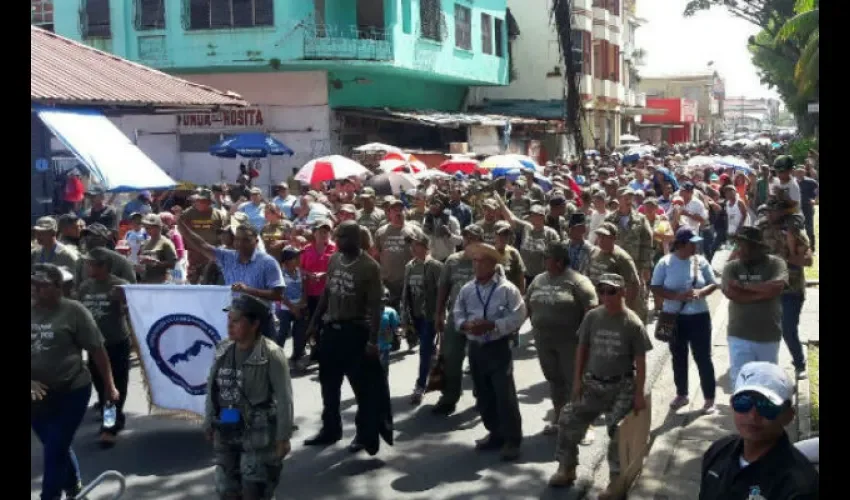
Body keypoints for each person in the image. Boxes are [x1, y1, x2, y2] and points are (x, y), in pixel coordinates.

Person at [549, 274, 652, 494]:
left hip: (621, 386)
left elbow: (641, 362)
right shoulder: (592, 317)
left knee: (617, 432)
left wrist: (639, 394)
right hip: (593, 384)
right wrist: (577, 381)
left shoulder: (632, 323)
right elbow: (582, 349)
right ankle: (566, 468)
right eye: (602, 291)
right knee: (567, 419)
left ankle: (616, 480)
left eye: (611, 291)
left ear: (623, 292)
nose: (606, 296)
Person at [32, 263, 121, 500]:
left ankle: (49, 496)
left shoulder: (74, 311)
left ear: (59, 287)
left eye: (43, 286)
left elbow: (97, 350)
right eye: (34, 285)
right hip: (36, 395)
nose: (37, 290)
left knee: (54, 449)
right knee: (55, 444)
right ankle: (73, 484)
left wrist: (110, 385)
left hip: (72, 390)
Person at [303, 221, 386, 455]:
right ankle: (330, 429)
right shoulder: (334, 259)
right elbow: (327, 292)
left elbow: (376, 307)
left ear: (355, 239)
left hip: (356, 332)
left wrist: (373, 341)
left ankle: (364, 435)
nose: (336, 240)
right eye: (337, 236)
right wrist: (313, 323)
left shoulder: (370, 267)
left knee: (362, 389)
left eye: (342, 237)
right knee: (329, 386)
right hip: (332, 330)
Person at [203, 294, 294, 500]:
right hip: (227, 421)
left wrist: (283, 437)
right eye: (229, 320)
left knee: (255, 490)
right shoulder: (223, 349)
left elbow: (284, 398)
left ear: (254, 324)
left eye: (236, 321)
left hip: (258, 430)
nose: (230, 326)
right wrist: (209, 420)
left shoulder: (272, 354)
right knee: (227, 489)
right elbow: (212, 388)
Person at [698, 362, 818, 499]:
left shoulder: (799, 486)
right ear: (731, 404)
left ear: (788, 415)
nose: (753, 415)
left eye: (767, 406)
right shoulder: (718, 451)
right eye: (743, 402)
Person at [453, 242, 527, 461]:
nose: (476, 265)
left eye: (481, 260)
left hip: (498, 347)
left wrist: (493, 325)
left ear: (493, 264)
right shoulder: (467, 289)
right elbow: (457, 312)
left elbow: (519, 316)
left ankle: (513, 440)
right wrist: (466, 325)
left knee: (504, 395)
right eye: (474, 260)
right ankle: (495, 433)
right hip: (475, 348)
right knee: (483, 394)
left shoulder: (507, 289)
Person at [526, 242, 598, 435]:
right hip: (543, 340)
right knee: (554, 380)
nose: (543, 261)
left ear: (558, 261)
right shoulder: (539, 280)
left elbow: (591, 311)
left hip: (570, 342)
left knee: (575, 381)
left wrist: (586, 340)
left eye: (546, 258)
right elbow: (528, 304)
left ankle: (584, 425)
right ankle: (559, 419)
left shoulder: (577, 281)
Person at [178, 218, 285, 339]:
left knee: (263, 357)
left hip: (260, 322)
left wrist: (248, 290)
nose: (240, 243)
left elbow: (277, 295)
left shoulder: (268, 262)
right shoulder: (228, 257)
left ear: (256, 241)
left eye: (246, 240)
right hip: (236, 321)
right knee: (235, 357)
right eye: (237, 239)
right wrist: (180, 224)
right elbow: (202, 245)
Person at [650, 228, 719, 413]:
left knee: (703, 358)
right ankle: (682, 393)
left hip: (699, 317)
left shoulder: (700, 261)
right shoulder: (665, 263)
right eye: (692, 243)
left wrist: (701, 292)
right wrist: (676, 296)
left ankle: (709, 398)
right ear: (680, 244)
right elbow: (655, 287)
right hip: (675, 318)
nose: (695, 246)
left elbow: (713, 283)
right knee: (678, 356)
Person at [721, 227, 788, 386]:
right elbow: (731, 293)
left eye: (744, 246)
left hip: (768, 335)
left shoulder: (775, 263)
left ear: (757, 247)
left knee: (767, 382)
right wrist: (762, 293)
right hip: (739, 334)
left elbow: (777, 286)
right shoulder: (732, 267)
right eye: (738, 245)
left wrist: (743, 286)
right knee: (741, 381)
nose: (740, 250)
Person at [432, 224, 484, 415]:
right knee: (451, 358)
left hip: (480, 319)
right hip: (456, 317)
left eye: (473, 238)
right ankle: (449, 397)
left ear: (481, 240)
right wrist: (438, 314)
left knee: (479, 361)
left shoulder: (487, 260)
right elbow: (443, 289)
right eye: (466, 237)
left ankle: (483, 397)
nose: (469, 241)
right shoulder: (452, 261)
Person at [760, 197, 813, 380]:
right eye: (768, 210)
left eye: (773, 211)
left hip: (791, 288)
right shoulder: (762, 228)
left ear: (783, 212)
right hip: (768, 288)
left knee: (788, 330)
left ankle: (799, 364)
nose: (769, 214)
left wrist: (787, 259)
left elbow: (808, 260)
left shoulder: (795, 230)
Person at [399, 232, 444, 405]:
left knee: (423, 349)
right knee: (426, 346)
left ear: (425, 247)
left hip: (430, 315)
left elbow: (442, 292)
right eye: (411, 245)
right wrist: (404, 315)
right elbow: (406, 291)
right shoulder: (409, 266)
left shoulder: (435, 266)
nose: (413, 248)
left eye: (417, 244)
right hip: (415, 315)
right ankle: (433, 356)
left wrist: (441, 315)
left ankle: (420, 385)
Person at [277, 246, 308, 355]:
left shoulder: (300, 272)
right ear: (287, 261)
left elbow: (304, 289)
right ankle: (276, 356)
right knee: (283, 333)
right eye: (296, 257)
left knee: (299, 333)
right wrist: (292, 308)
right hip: (285, 308)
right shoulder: (280, 274)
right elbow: (280, 294)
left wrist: (300, 305)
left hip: (300, 307)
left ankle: (297, 356)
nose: (299, 259)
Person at [137, 214, 178, 284]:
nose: (148, 230)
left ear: (159, 227)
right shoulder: (145, 243)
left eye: (150, 227)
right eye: (146, 228)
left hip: (162, 282)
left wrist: (156, 263)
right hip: (146, 281)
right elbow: (140, 260)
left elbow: (173, 263)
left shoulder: (166, 243)